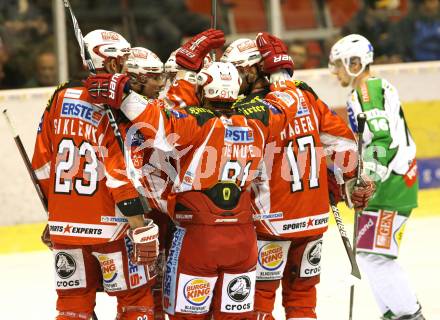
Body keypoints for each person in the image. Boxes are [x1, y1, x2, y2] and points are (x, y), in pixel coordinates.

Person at [83, 28, 306, 319]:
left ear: (203, 90)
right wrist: (279, 72)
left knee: (185, 315)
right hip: (243, 237)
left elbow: (156, 118)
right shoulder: (261, 120)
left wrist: (125, 95)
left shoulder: (196, 123)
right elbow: (289, 103)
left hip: (198, 236)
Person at [221, 37, 375, 320]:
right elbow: (344, 144)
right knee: (303, 299)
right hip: (313, 219)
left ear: (256, 70)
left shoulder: (248, 109)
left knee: (259, 298)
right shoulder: (305, 95)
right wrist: (345, 180)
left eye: (238, 70)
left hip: (271, 223)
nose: (232, 77)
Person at [31, 29, 160, 320]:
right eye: (122, 60)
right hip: (111, 227)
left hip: (65, 227)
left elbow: (41, 164)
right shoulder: (115, 105)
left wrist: (55, 213)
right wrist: (138, 224)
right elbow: (119, 173)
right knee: (135, 299)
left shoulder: (59, 97)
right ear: (111, 63)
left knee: (72, 305)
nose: (126, 66)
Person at [329, 34, 424, 320]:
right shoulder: (369, 89)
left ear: (355, 63)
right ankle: (395, 314)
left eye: (339, 65)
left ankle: (410, 315)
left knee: (377, 256)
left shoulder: (368, 90)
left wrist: (369, 178)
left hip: (391, 184)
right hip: (386, 184)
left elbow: (383, 140)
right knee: (369, 255)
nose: (336, 72)